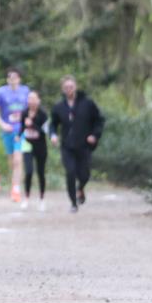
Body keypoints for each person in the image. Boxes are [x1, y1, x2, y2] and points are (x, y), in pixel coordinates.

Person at [49, 75, 104, 213]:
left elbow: (99, 120)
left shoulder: (88, 103)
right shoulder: (59, 107)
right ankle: (73, 203)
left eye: (71, 87)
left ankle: (80, 189)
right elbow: (53, 124)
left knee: (84, 175)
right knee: (70, 172)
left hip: (84, 145)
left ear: (76, 87)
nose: (69, 89)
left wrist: (94, 135)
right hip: (67, 146)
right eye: (66, 87)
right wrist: (53, 135)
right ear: (63, 89)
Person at [0, 68, 30, 202]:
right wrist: (3, 124)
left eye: (15, 77)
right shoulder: (1, 92)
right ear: (7, 79)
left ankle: (16, 189)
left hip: (21, 130)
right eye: (10, 77)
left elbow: (31, 109)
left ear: (19, 79)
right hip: (7, 130)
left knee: (18, 159)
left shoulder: (25, 91)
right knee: (12, 161)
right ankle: (15, 184)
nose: (12, 79)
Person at [20, 90, 48, 211]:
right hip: (27, 145)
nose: (31, 101)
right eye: (29, 98)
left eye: (33, 98)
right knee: (29, 171)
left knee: (40, 173)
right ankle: (26, 198)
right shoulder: (24, 112)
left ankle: (41, 199)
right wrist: (18, 134)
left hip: (40, 146)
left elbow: (44, 132)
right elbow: (22, 127)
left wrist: (32, 124)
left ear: (38, 100)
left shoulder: (43, 114)